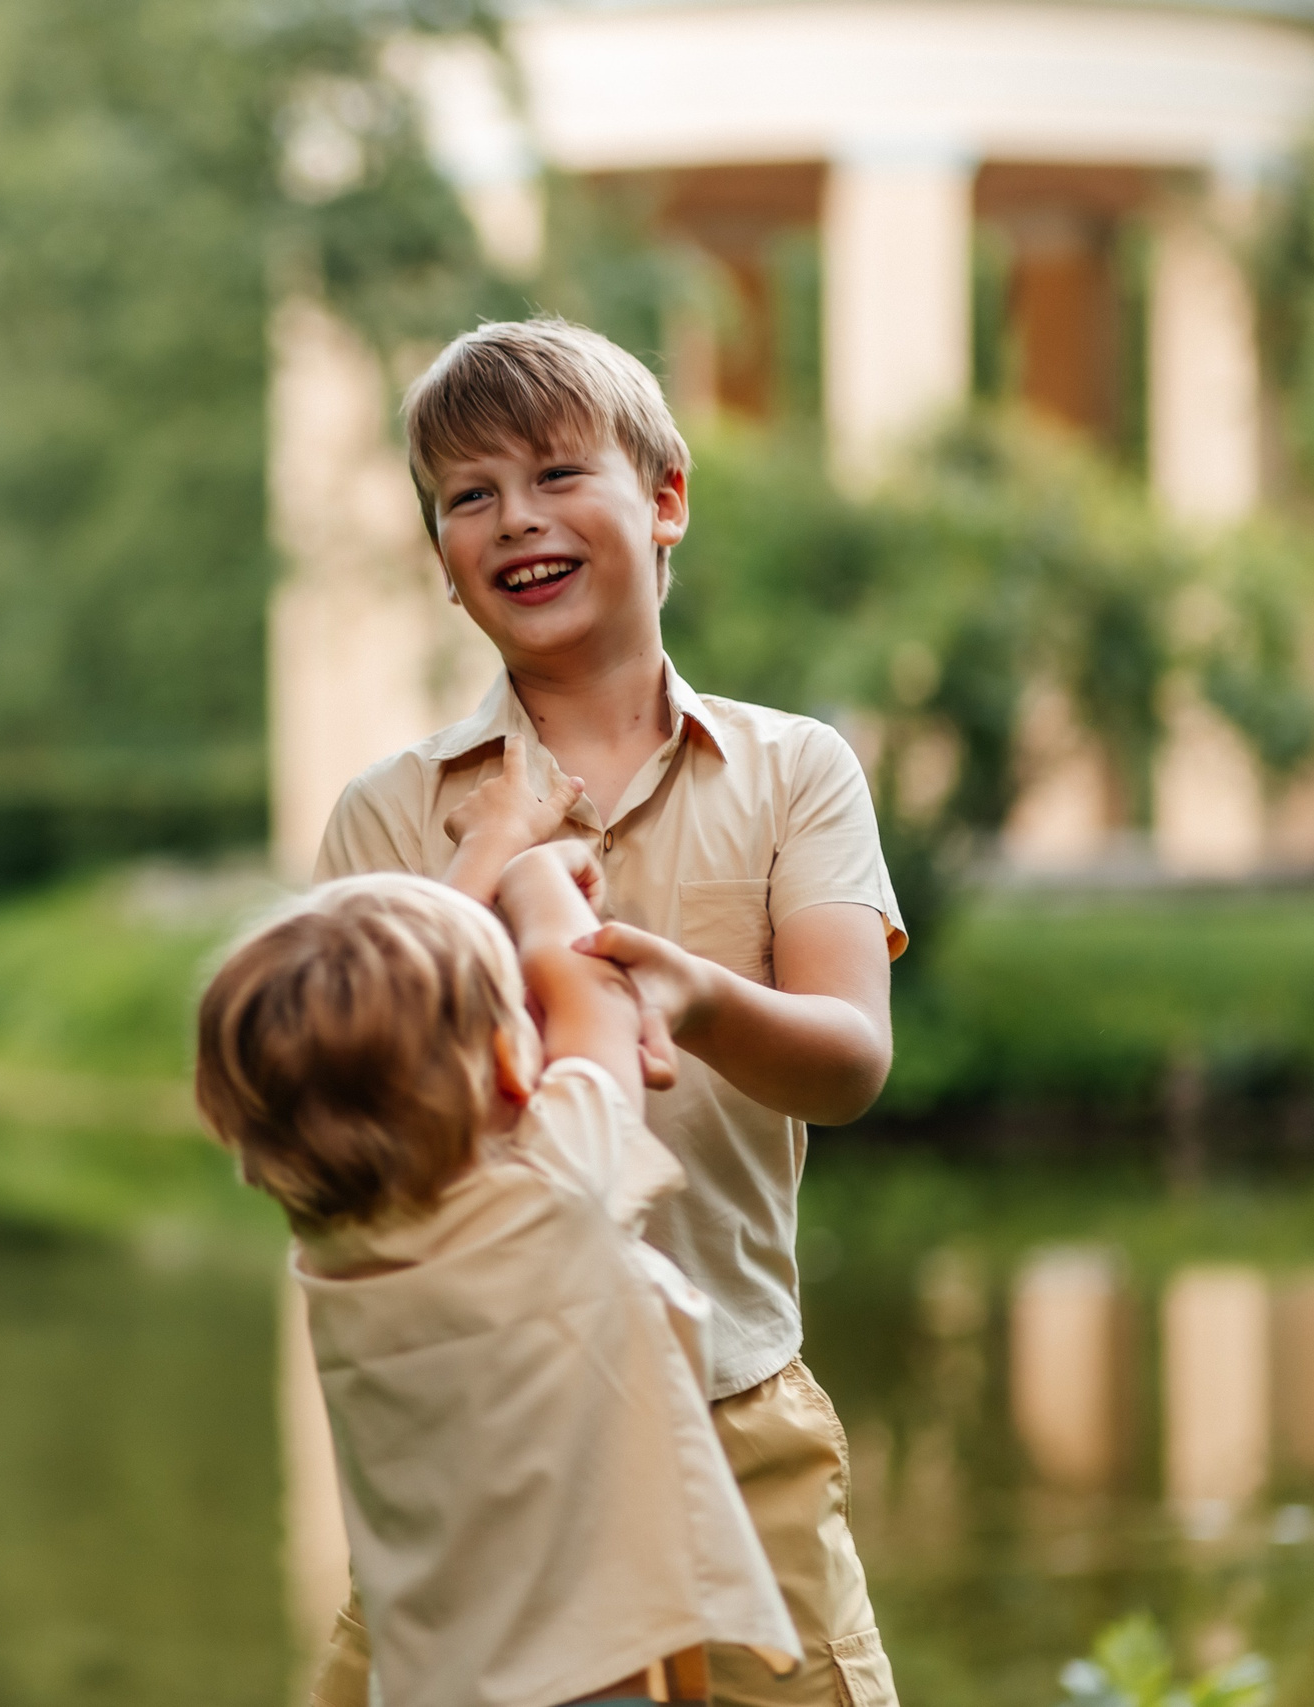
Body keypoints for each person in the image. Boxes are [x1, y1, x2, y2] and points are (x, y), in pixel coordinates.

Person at [311, 318, 905, 1707]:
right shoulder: (391, 812)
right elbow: (362, 1114)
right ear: (442, 557)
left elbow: (849, 1062)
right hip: (486, 1430)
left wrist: (698, 997)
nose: (516, 518)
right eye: (469, 495)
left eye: (558, 473)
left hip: (734, 1407)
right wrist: (482, 864)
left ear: (666, 497)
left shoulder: (794, 769)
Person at [197, 857, 799, 1707]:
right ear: (513, 1062)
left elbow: (363, 1058)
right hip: (586, 1686)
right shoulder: (552, 1192)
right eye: (520, 1007)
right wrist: (535, 873)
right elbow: (595, 995)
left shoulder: (332, 1245)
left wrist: (494, 848)